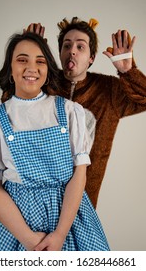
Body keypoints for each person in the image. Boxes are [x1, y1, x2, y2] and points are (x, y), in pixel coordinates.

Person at [0, 31, 110, 251]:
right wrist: (29, 240)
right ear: (10, 68)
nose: (31, 68)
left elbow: (79, 174)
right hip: (17, 227)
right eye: (22, 60)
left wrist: (60, 234)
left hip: (70, 222)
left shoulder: (69, 111)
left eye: (40, 61)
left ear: (48, 70)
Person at [26, 17, 146, 208]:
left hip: (83, 204)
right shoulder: (44, 82)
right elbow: (9, 102)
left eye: (80, 47)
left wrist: (128, 72)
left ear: (91, 58)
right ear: (59, 53)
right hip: (38, 199)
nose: (72, 50)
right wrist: (29, 58)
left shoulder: (109, 90)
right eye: (66, 46)